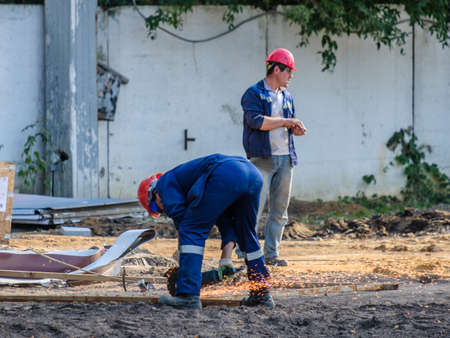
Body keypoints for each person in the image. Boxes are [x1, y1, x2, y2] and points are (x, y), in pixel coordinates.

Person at [137, 153, 274, 309]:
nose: (163, 211)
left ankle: (188, 296)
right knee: (247, 234)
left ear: (154, 194)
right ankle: (262, 295)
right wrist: (225, 259)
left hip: (226, 173)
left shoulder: (164, 184)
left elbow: (185, 226)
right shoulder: (190, 184)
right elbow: (226, 220)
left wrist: (185, 270)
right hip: (252, 174)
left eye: (156, 208)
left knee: (192, 228)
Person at [241, 48, 307, 266]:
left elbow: (283, 125)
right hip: (262, 159)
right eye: (288, 71)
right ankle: (247, 253)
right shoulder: (254, 93)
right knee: (254, 208)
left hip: (285, 159)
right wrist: (286, 122)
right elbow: (257, 122)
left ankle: (271, 254)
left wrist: (294, 128)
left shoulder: (286, 97)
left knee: (279, 210)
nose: (291, 76)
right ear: (276, 69)